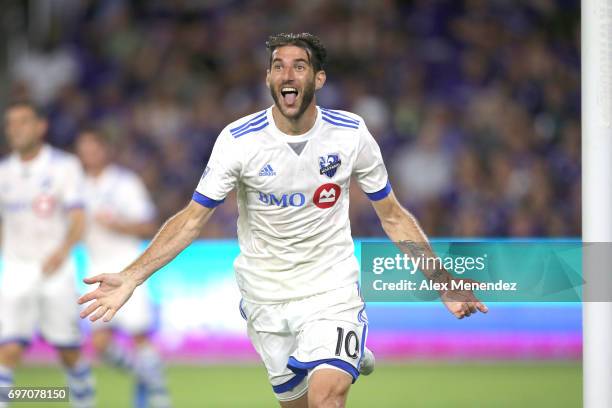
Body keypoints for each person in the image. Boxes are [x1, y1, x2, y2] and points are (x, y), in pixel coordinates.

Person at [78, 33, 487, 408]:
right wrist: (131, 277)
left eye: (298, 66)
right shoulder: (239, 141)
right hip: (265, 297)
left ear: (319, 79)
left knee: (327, 398)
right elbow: (191, 219)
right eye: (277, 66)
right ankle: (346, 352)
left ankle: (339, 346)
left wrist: (443, 281)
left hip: (330, 289)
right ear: (268, 78)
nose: (286, 74)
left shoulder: (351, 134)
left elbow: (393, 217)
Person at [0, 101, 95, 408]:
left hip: (55, 269)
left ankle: (83, 400)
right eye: (10, 123)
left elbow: (78, 216)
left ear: (41, 126)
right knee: (7, 350)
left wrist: (63, 251)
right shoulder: (3, 172)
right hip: (15, 269)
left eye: (23, 122)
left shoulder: (64, 166)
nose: (15, 129)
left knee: (68, 351)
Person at [75, 128, 170, 408]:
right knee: (101, 344)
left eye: (93, 148)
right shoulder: (76, 185)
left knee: (140, 336)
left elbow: (147, 224)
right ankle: (149, 378)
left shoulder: (125, 183)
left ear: (105, 150)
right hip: (95, 269)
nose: (88, 154)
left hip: (128, 267)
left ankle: (159, 398)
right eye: (83, 149)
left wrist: (117, 224)